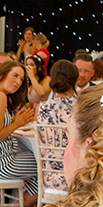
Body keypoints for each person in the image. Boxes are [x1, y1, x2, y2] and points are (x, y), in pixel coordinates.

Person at [0, 60, 37, 207]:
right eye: (15, 75)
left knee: (37, 166)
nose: (18, 82)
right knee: (45, 166)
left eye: (22, 79)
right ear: (2, 74)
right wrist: (17, 123)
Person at [35, 60, 79, 192]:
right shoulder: (81, 108)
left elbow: (42, 139)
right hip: (76, 178)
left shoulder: (42, 107)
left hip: (50, 177)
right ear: (75, 82)